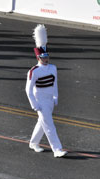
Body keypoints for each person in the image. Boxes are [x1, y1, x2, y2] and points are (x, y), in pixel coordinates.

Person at [26, 24, 67, 158]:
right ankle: (57, 149)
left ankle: (33, 142)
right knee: (49, 125)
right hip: (40, 100)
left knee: (42, 122)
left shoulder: (53, 68)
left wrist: (56, 97)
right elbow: (28, 89)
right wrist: (34, 104)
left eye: (47, 56)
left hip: (49, 99)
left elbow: (54, 83)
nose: (46, 58)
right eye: (43, 57)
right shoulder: (34, 71)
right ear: (38, 58)